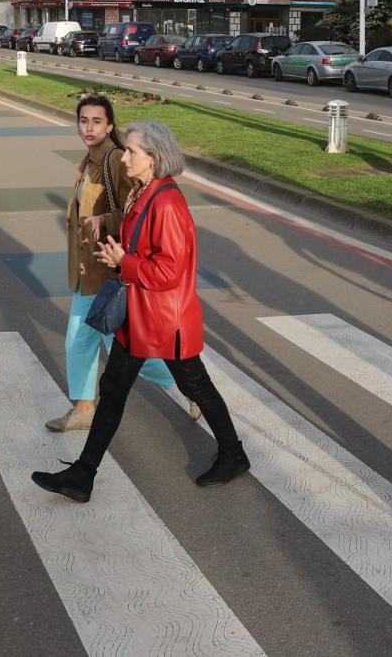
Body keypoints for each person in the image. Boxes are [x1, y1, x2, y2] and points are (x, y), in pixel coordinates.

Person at [32, 121, 250, 502]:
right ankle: (83, 476)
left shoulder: (167, 203)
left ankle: (233, 454)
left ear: (155, 159)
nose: (125, 156)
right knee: (114, 390)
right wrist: (118, 257)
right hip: (140, 315)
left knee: (195, 384)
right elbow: (143, 254)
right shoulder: (144, 192)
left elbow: (168, 271)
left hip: (164, 321)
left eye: (133, 151)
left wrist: (125, 262)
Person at [45, 94, 190, 433]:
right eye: (83, 120)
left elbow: (135, 207)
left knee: (98, 342)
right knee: (108, 344)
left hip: (107, 269)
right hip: (90, 268)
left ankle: (189, 384)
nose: (89, 127)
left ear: (110, 125)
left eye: (97, 121)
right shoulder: (90, 160)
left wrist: (103, 222)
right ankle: (85, 407)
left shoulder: (113, 160)